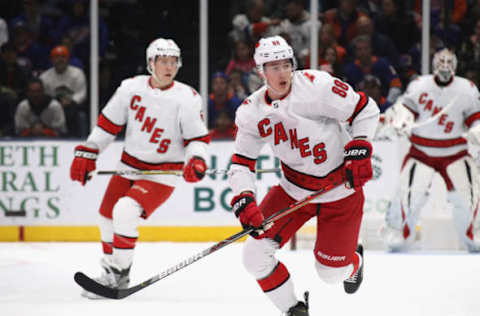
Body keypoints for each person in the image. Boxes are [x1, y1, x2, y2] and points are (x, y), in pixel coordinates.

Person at [228, 35, 379, 315]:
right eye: (274, 67)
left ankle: (353, 260)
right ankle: (293, 310)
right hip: (293, 189)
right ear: (261, 71)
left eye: (286, 64)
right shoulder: (251, 112)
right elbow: (241, 161)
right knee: (253, 257)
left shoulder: (316, 85)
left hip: (339, 190)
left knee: (331, 274)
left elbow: (365, 109)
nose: (282, 72)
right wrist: (244, 198)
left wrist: (360, 145)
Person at [69, 38, 210, 298]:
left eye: (173, 61)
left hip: (163, 172)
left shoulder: (187, 97)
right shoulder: (130, 89)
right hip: (129, 165)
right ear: (150, 63)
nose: (169, 67)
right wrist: (89, 150)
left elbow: (196, 140)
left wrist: (196, 159)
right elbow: (108, 125)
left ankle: (119, 275)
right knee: (106, 215)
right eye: (163, 61)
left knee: (125, 210)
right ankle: (112, 272)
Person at [380, 49, 480, 253]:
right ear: (434, 64)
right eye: (441, 62)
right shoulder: (419, 86)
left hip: (455, 152)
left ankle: (474, 236)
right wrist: (399, 119)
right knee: (408, 193)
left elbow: (475, 120)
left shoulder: (467, 89)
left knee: (469, 195)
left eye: (449, 62)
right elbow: (405, 109)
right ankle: (397, 232)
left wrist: (477, 131)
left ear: (456, 65)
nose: (445, 67)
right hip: (421, 151)